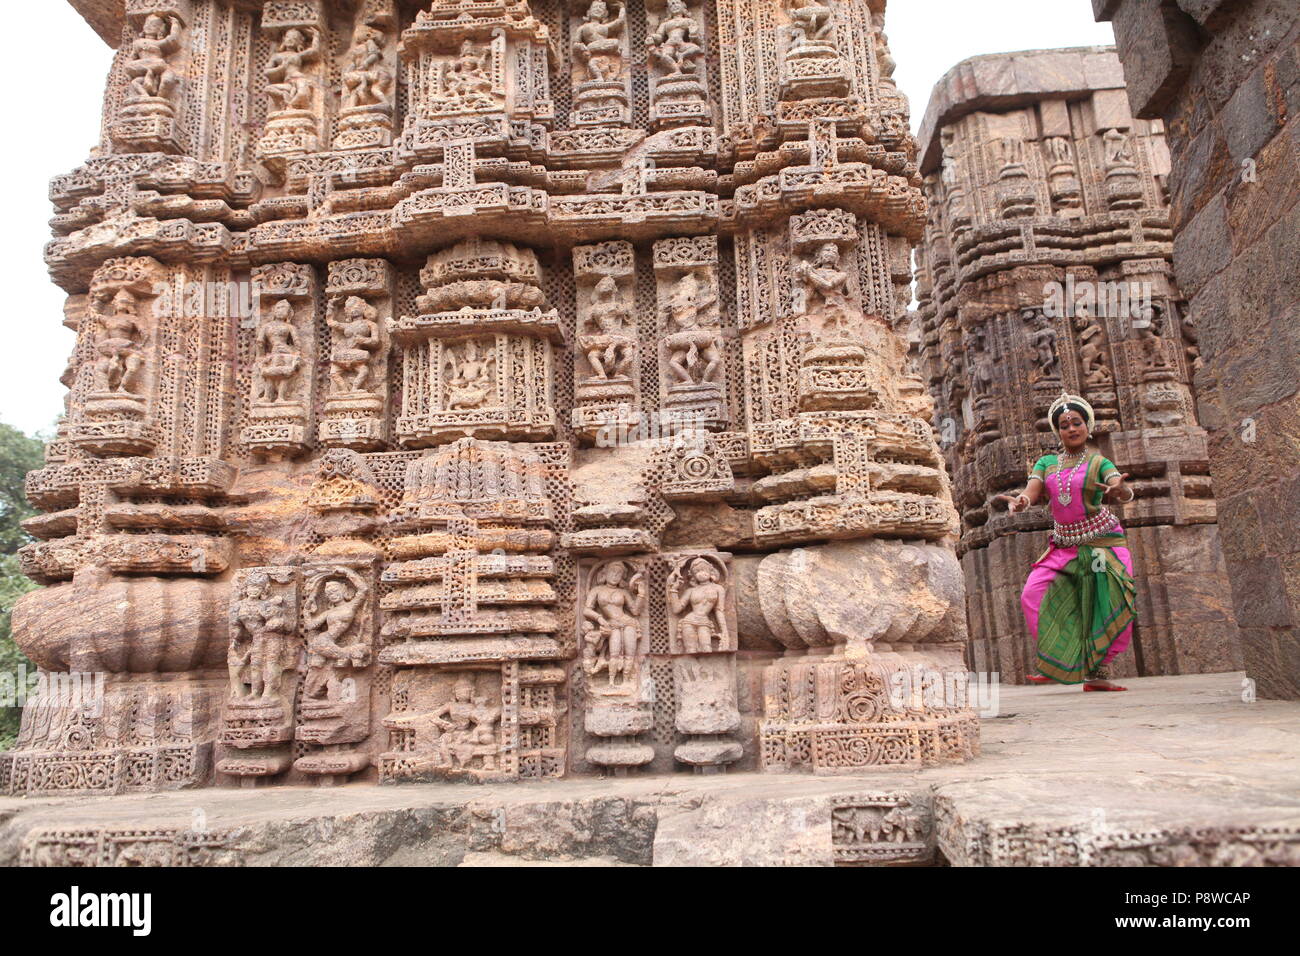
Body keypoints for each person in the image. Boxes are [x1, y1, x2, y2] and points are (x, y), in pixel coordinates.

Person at [995, 392, 1137, 691]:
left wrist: (1120, 491)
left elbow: (1117, 486)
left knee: (1099, 602)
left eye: (1076, 423)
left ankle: (1096, 675)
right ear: (1057, 430)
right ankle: (1058, 658)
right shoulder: (1047, 462)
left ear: (1088, 426)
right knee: (1032, 595)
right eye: (1064, 424)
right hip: (1064, 544)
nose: (1071, 429)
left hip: (1101, 544)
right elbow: (1032, 490)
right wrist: (1021, 501)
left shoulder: (1099, 462)